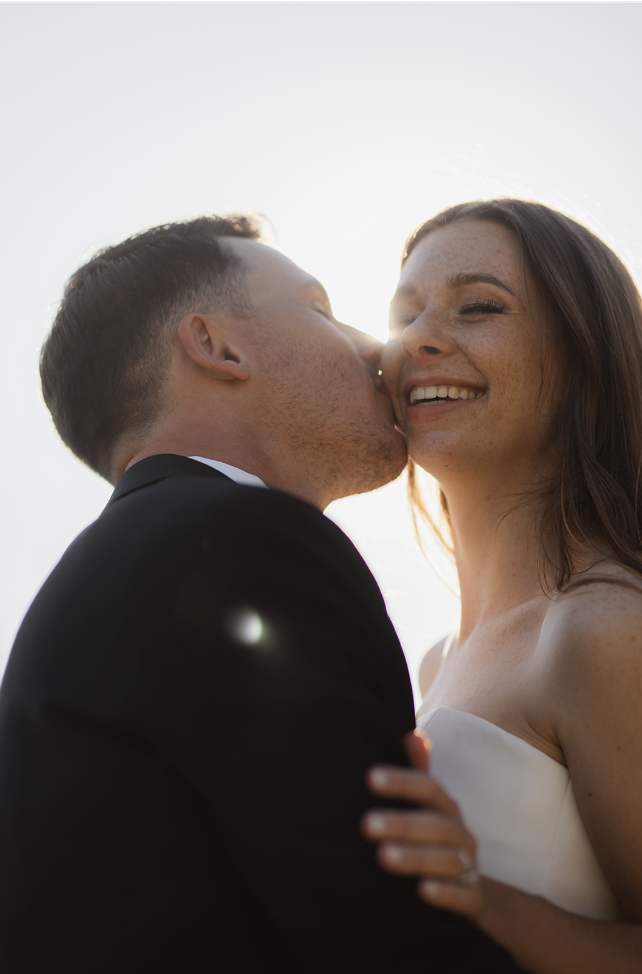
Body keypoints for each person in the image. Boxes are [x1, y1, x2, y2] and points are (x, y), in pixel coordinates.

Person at [0, 216, 522, 972]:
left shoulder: (115, 575)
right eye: (321, 308)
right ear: (218, 347)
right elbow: (384, 940)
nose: (378, 348)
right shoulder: (246, 544)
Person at [360, 200, 642, 972]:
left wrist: (485, 900)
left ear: (585, 353)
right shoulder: (428, 664)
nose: (418, 339)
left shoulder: (603, 627)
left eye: (479, 307)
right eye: (404, 314)